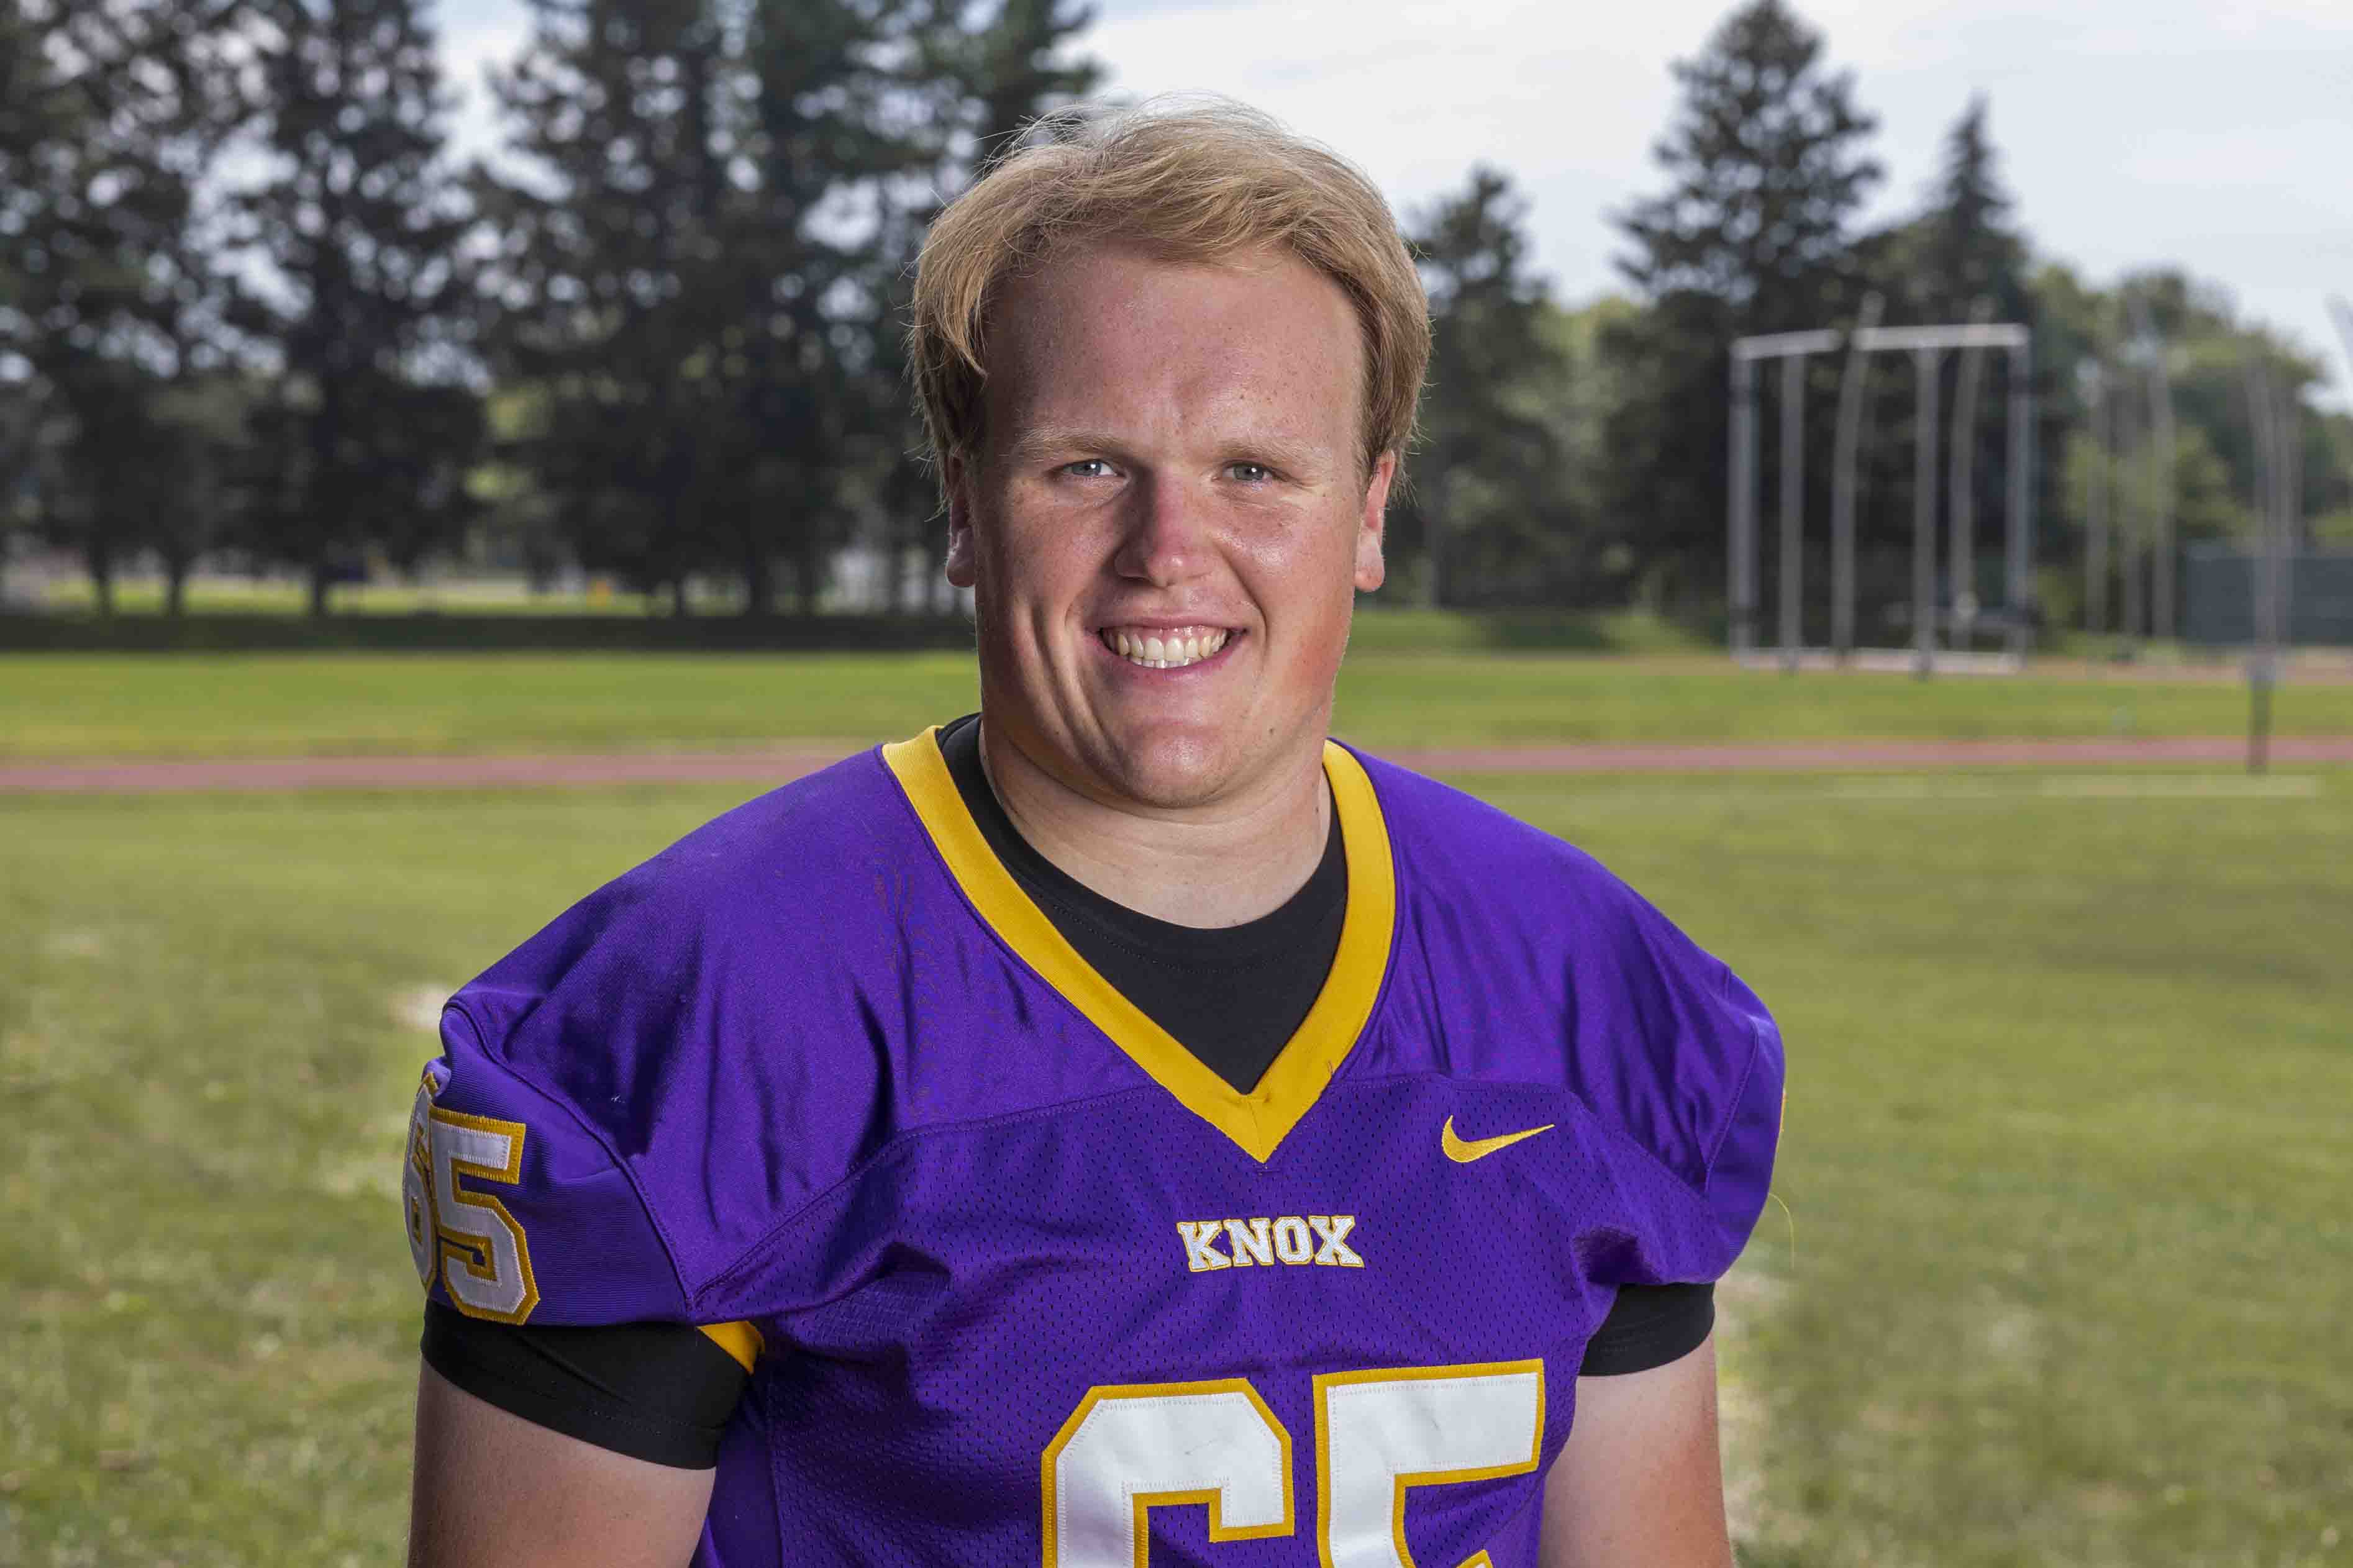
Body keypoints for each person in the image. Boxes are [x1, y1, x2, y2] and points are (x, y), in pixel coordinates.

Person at [402, 96, 1782, 1567]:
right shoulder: (703, 1009)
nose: (1168, 553)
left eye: (1254, 470)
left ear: (1369, 513)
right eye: (1087, 467)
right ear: (962, 505)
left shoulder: (1588, 988)